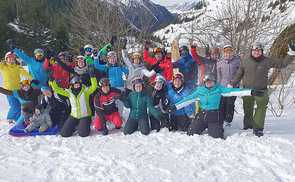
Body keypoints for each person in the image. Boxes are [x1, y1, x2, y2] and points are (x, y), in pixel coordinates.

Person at [167, 73, 264, 139]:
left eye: (211, 82)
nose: (209, 84)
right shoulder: (200, 90)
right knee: (190, 133)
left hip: (214, 117)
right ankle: (203, 126)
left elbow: (234, 91)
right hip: (201, 116)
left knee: (217, 137)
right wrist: (175, 107)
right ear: (204, 82)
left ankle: (217, 127)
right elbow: (188, 99)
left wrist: (251, 91)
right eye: (207, 82)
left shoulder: (219, 89)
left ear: (214, 81)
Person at [229, 41, 295, 137]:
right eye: (254, 50)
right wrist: (231, 85)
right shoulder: (245, 62)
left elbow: (282, 64)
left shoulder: (267, 61)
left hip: (261, 90)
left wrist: (291, 54)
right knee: (247, 108)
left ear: (262, 51)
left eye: (259, 50)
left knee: (261, 108)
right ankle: (248, 125)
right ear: (251, 51)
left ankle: (258, 129)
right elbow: (239, 75)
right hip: (247, 91)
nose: (256, 52)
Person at [48, 66, 98, 137]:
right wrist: (51, 79)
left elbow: (94, 86)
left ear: (80, 85)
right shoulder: (69, 92)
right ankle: (76, 126)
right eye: (75, 85)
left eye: (78, 85)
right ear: (72, 85)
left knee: (83, 134)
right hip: (74, 116)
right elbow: (57, 89)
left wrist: (92, 76)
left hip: (85, 116)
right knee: (64, 134)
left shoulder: (85, 91)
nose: (77, 87)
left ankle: (82, 126)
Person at [0, 52, 34, 124]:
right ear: (6, 59)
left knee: (19, 105)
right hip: (8, 90)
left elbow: (24, 73)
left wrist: (32, 79)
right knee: (14, 106)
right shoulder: (3, 66)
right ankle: (9, 118)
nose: (11, 61)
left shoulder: (18, 66)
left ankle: (17, 119)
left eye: (13, 59)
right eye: (10, 59)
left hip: (18, 90)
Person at [94, 51, 129, 118]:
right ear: (108, 59)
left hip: (121, 86)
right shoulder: (107, 66)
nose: (112, 60)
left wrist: (134, 72)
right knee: (113, 103)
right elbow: (97, 66)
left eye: (113, 58)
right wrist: (96, 57)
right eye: (110, 58)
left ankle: (120, 116)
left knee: (120, 103)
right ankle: (112, 117)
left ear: (116, 58)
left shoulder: (119, 65)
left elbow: (127, 72)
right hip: (112, 87)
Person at [216, 45, 241, 127]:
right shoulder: (220, 62)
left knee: (230, 103)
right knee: (222, 103)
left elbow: (239, 74)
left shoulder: (237, 61)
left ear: (232, 53)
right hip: (223, 86)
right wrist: (218, 86)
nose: (228, 54)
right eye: (226, 53)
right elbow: (219, 76)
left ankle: (228, 120)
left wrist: (237, 84)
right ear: (224, 53)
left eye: (230, 53)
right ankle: (221, 119)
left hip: (234, 86)